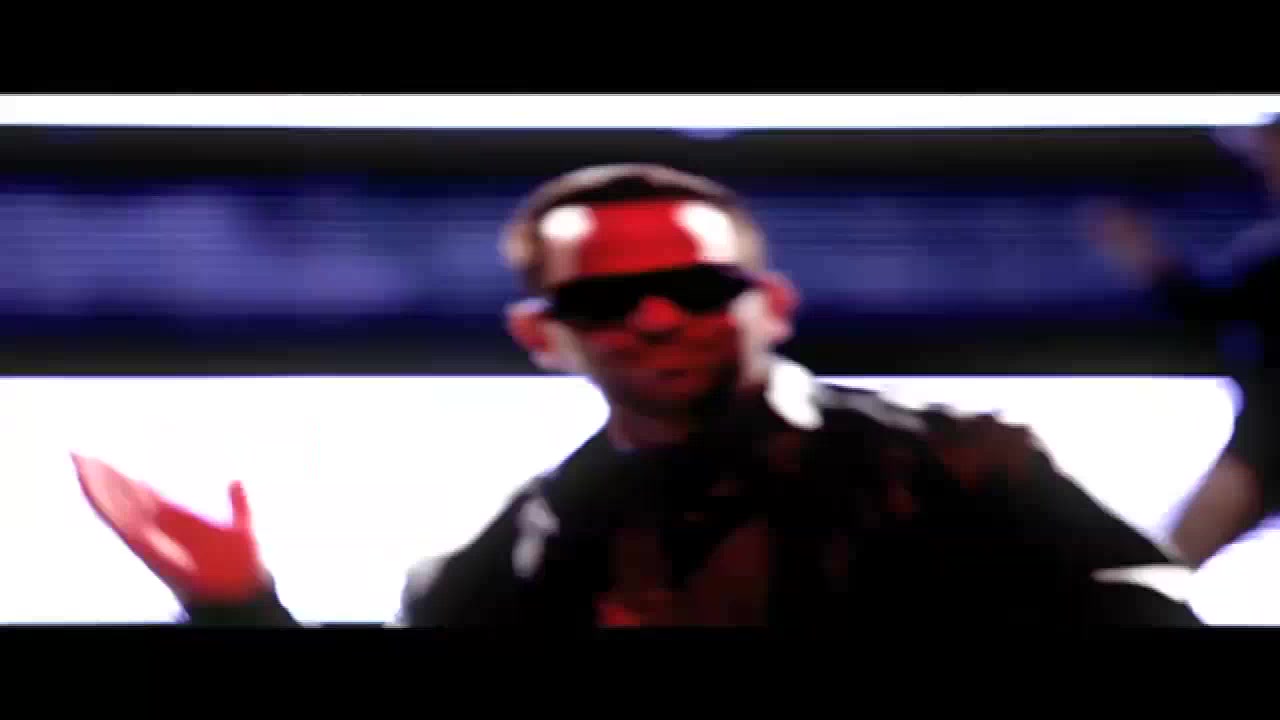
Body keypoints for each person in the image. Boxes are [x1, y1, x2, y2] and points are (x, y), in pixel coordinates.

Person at [75, 164, 1200, 627]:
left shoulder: (957, 464)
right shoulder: (524, 552)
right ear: (543, 335)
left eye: (694, 288)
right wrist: (236, 603)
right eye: (609, 300)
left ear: (770, 303)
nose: (657, 319)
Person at [1090, 114, 1280, 568]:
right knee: (1164, 567)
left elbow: (1207, 307)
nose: (1264, 166)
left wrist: (1142, 254)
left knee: (1164, 566)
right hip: (1264, 435)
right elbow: (1210, 309)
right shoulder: (1265, 252)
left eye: (1270, 152)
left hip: (1270, 434)